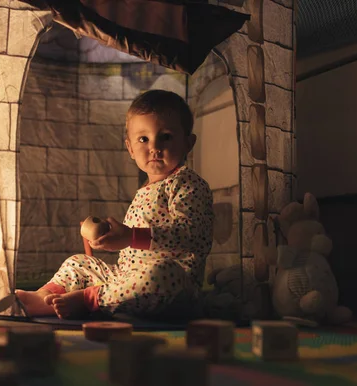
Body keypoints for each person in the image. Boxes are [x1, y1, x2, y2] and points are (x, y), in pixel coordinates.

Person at [16, 90, 214, 320]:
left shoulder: (186, 183)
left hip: (173, 283)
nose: (154, 147)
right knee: (79, 263)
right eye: (143, 139)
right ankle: (45, 296)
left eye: (166, 136)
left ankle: (89, 299)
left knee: (160, 275)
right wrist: (112, 240)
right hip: (125, 277)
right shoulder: (144, 191)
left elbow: (191, 236)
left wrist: (131, 237)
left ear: (188, 143)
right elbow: (129, 252)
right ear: (130, 148)